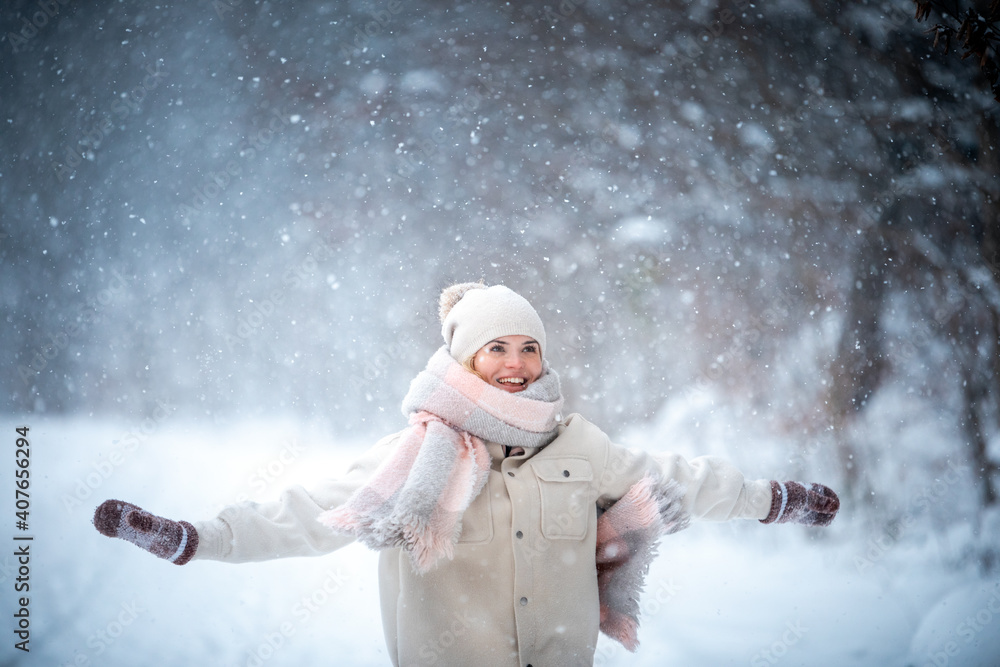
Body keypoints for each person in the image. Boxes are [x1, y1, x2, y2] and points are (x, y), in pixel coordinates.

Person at [93, 282, 840, 666]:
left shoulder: (581, 444)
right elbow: (306, 511)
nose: (515, 364)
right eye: (495, 348)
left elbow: (679, 475)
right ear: (463, 358)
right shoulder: (415, 453)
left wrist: (773, 499)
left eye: (528, 347)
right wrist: (197, 537)